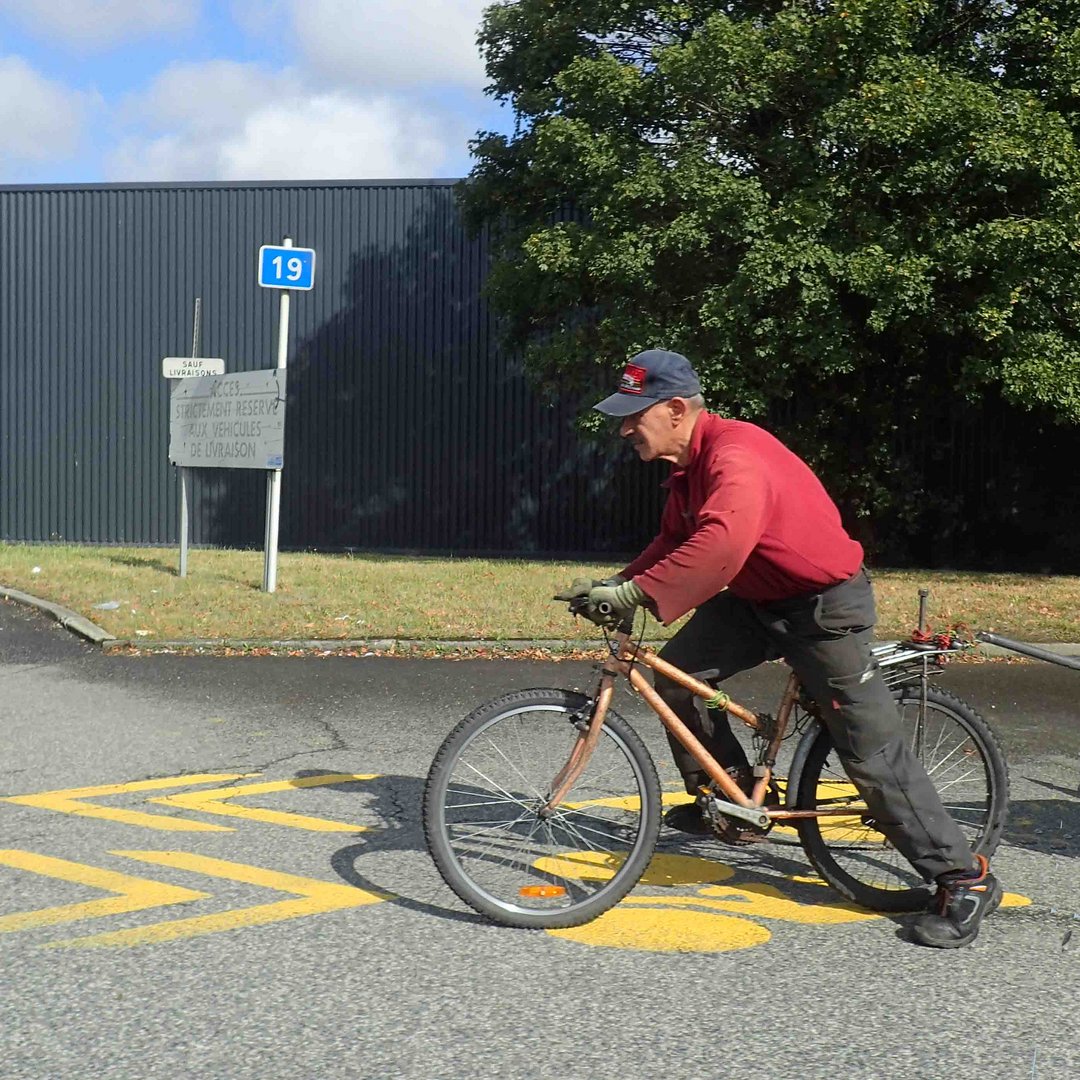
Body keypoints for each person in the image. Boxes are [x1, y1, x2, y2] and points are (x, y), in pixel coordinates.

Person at [557, 348, 1001, 949]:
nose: (625, 428)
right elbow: (674, 540)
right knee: (679, 674)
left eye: (635, 414)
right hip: (757, 601)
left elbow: (721, 544)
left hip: (823, 608)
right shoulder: (690, 470)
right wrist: (618, 585)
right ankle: (730, 796)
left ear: (677, 409)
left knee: (869, 752)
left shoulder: (735, 458)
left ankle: (961, 878)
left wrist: (636, 594)